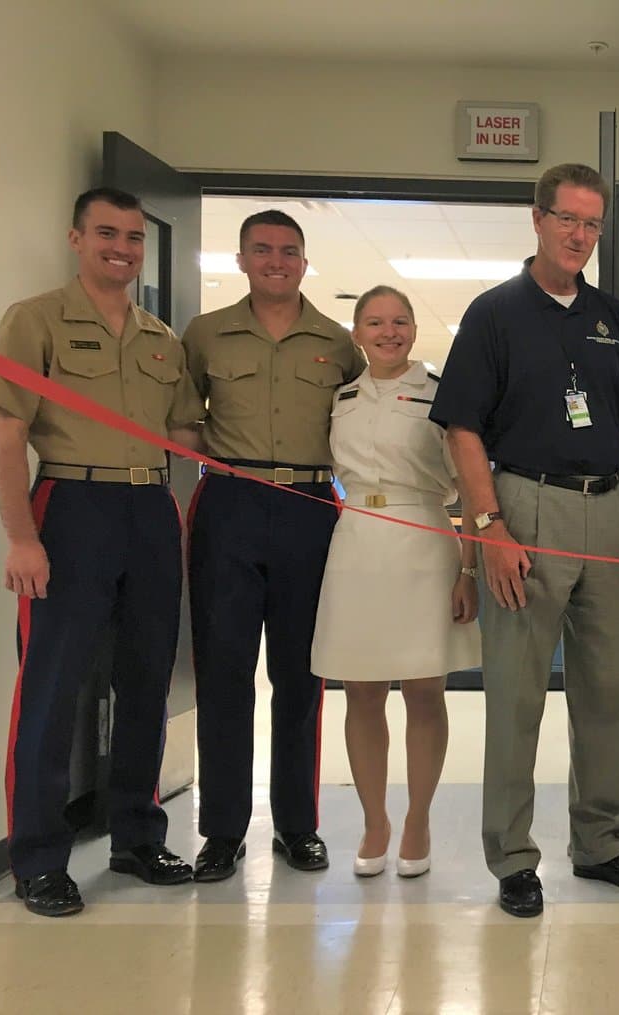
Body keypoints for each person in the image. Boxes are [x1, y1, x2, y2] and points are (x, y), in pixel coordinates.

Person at [430, 162, 619, 918]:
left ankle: (600, 843)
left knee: (606, 693)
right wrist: (489, 527)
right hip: (524, 508)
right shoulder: (494, 313)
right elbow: (463, 429)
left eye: (592, 223)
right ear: (537, 219)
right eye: (567, 218)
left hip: (609, 515)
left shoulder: (612, 319)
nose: (579, 235)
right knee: (517, 693)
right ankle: (512, 856)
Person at [0, 187, 204, 916]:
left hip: (150, 510)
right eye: (108, 233)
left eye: (135, 237)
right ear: (76, 238)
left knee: (147, 682)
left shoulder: (163, 338)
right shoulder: (36, 319)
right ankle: (38, 858)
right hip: (72, 506)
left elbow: (189, 438)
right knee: (53, 687)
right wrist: (21, 537)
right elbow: (8, 435)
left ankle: (137, 836)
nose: (123, 248)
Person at [182, 209, 363, 882]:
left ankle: (297, 825)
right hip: (230, 504)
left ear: (304, 260)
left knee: (301, 673)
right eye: (263, 249)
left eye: (289, 250)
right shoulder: (205, 335)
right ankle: (223, 830)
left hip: (311, 507)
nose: (276, 260)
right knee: (224, 670)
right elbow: (181, 421)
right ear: (242, 259)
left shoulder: (338, 342)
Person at [310, 285, 481, 877]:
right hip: (356, 538)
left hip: (424, 538)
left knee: (423, 690)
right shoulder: (341, 397)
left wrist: (468, 570)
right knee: (360, 689)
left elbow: (468, 483)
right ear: (355, 333)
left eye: (400, 321)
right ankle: (374, 819)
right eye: (376, 323)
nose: (389, 332)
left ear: (413, 329)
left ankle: (418, 819)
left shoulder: (440, 396)